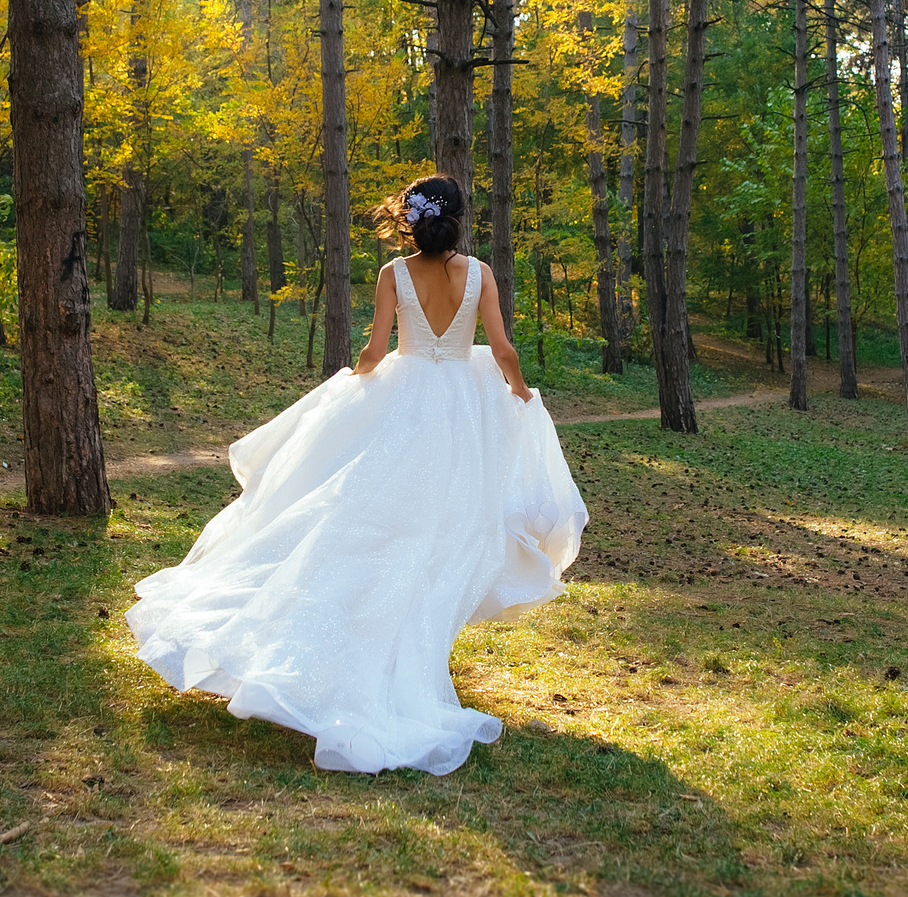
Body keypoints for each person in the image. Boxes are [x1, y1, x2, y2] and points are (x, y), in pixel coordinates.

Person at [126, 174, 588, 774]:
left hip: (405, 399)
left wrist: (354, 382)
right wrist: (521, 394)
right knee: (445, 530)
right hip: (463, 410)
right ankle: (399, 653)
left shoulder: (394, 273)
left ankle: (375, 646)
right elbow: (502, 350)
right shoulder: (478, 274)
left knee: (373, 518)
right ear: (457, 218)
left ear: (412, 220)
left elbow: (375, 352)